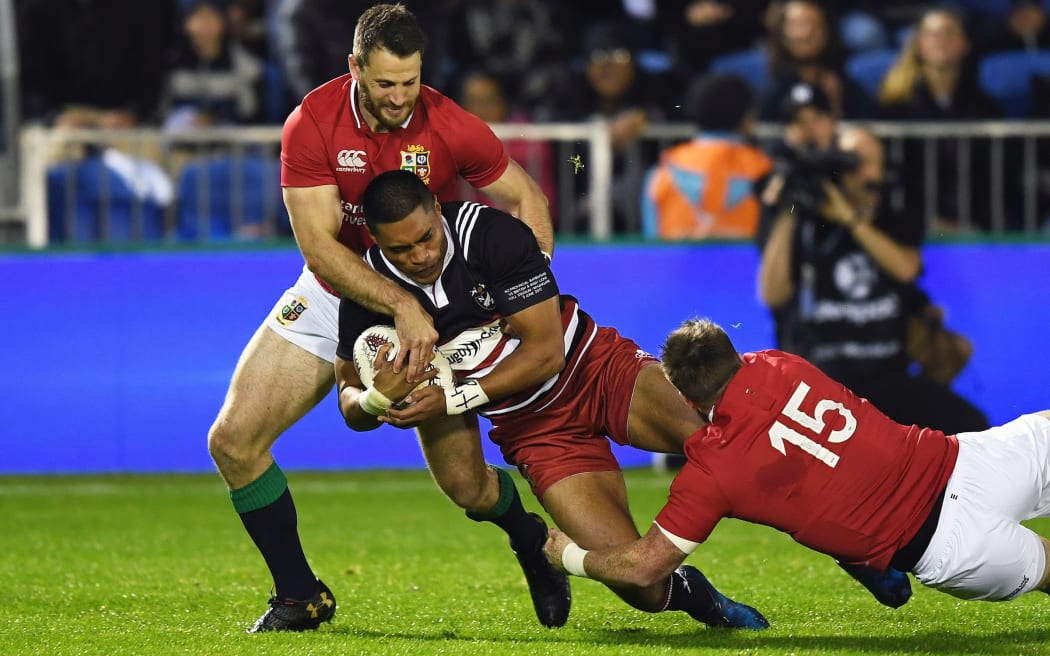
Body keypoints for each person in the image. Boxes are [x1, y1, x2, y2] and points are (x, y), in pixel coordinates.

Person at [206, 3, 558, 633]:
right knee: (232, 442)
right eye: (384, 84)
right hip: (336, 291)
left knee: (469, 489)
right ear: (354, 69)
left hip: (437, 296)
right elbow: (319, 247)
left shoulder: (449, 122)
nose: (399, 99)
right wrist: (399, 305)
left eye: (409, 83)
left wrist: (525, 295)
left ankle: (529, 538)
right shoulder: (311, 123)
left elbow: (525, 197)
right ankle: (299, 594)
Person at [334, 169, 771, 631]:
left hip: (596, 371)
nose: (419, 256)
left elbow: (545, 354)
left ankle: (854, 546)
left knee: (732, 445)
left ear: (438, 211)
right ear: (375, 241)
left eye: (424, 239)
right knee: (639, 585)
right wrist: (376, 400)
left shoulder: (490, 234)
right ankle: (698, 597)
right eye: (399, 250)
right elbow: (348, 397)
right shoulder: (368, 291)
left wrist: (451, 400)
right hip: (538, 433)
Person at [544, 318, 1050, 612]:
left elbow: (646, 567)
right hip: (970, 461)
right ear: (734, 351)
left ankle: (866, 564)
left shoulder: (712, 473)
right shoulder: (781, 363)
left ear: (688, 400)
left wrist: (569, 556)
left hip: (944, 544)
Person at [757, 81, 989, 436]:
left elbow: (906, 268)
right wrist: (790, 210)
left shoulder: (894, 213)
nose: (860, 172)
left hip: (886, 375)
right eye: (850, 162)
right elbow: (772, 294)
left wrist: (849, 219)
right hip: (822, 379)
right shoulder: (799, 214)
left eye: (867, 162)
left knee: (971, 427)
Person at [877, 8, 1014, 233]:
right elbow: (895, 178)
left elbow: (997, 178)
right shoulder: (895, 109)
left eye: (949, 33)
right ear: (919, 45)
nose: (941, 41)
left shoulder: (988, 109)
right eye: (932, 34)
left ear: (965, 44)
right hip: (913, 228)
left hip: (977, 227)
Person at [641, 72, 772, 240]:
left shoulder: (660, 173)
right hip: (749, 266)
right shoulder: (765, 169)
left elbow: (651, 244)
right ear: (747, 117)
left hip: (676, 266)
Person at [759, 0, 875, 121]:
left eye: (814, 25)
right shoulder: (772, 91)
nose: (806, 34)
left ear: (827, 32)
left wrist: (836, 107)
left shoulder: (847, 89)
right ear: (782, 32)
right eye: (797, 25)